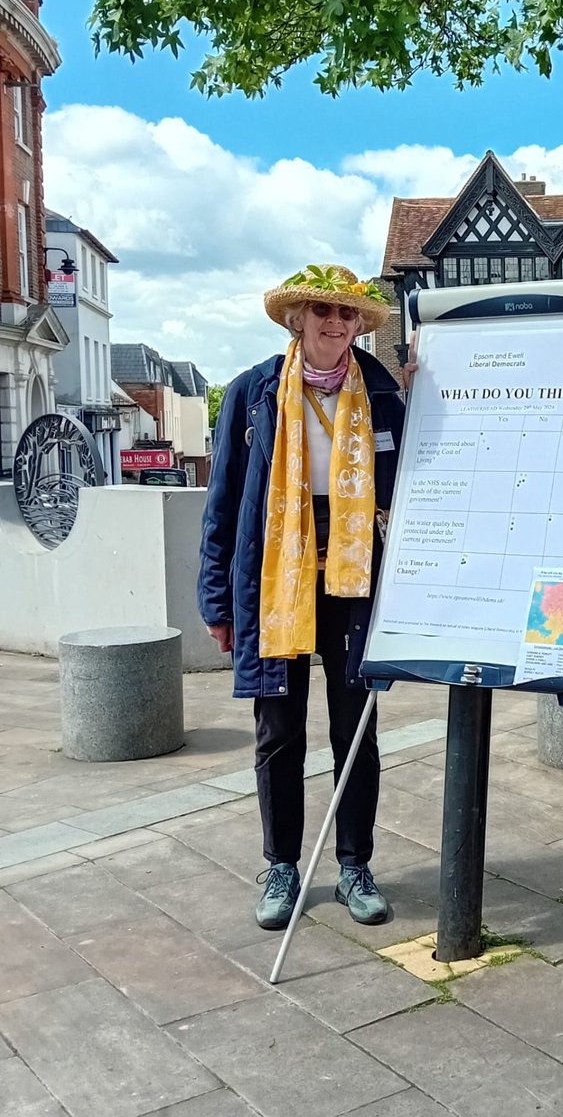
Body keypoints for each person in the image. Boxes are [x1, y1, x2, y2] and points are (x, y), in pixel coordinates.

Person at [198, 264, 405, 931]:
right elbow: (224, 502)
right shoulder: (252, 392)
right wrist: (217, 601)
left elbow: (410, 487)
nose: (335, 322)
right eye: (322, 310)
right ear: (297, 319)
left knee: (356, 729)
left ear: (359, 324)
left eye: (346, 313)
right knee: (279, 731)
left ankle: (354, 865)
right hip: (277, 576)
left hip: (354, 576)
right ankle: (282, 865)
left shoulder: (381, 390)